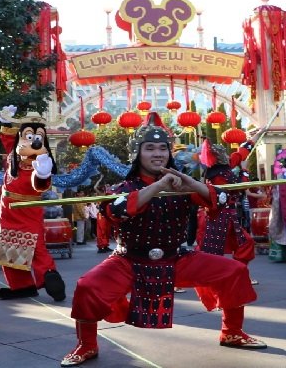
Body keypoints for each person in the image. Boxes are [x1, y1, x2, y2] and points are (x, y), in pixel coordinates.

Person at [60, 114, 266, 367]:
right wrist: (157, 187)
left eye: (162, 148)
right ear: (138, 154)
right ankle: (86, 345)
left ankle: (232, 332)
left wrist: (192, 184)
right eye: (149, 148)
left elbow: (222, 201)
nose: (157, 154)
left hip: (177, 257)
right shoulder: (122, 187)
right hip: (129, 260)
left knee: (233, 271)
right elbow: (116, 211)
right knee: (88, 286)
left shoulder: (182, 185)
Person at [0, 106, 66, 301]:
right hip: (7, 208)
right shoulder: (14, 156)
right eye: (28, 135)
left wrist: (42, 174)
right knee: (10, 245)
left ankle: (50, 276)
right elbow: (8, 139)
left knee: (34, 245)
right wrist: (6, 122)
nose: (33, 141)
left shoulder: (41, 163)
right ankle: (21, 286)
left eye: (38, 138)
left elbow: (41, 184)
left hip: (28, 209)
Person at [197, 131, 262, 283]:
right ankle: (210, 277)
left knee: (246, 244)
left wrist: (258, 134)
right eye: (224, 154)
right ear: (218, 158)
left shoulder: (226, 166)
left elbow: (241, 152)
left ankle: (239, 272)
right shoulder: (217, 176)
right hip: (216, 216)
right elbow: (238, 188)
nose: (227, 155)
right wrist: (244, 171)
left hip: (230, 216)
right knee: (210, 251)